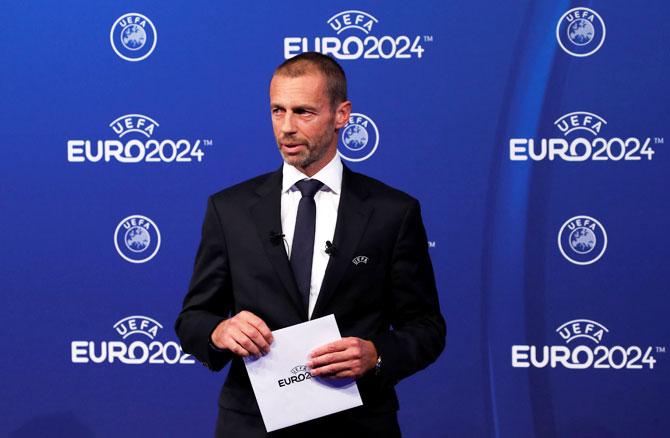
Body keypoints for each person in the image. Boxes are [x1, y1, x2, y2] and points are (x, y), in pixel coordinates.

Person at [175, 52, 446, 437]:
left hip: (357, 425)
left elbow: (426, 327)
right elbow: (192, 319)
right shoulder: (229, 209)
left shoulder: (392, 212)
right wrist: (219, 332)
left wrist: (377, 354)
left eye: (303, 112)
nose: (286, 127)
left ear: (341, 115)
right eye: (276, 111)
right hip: (253, 424)